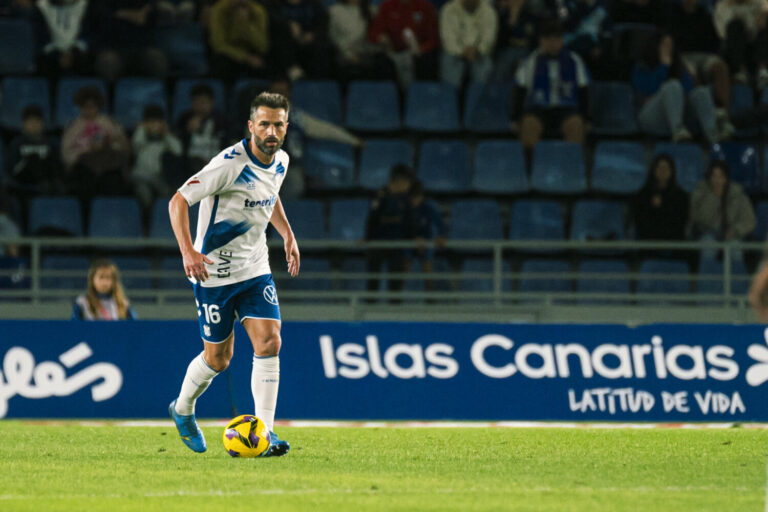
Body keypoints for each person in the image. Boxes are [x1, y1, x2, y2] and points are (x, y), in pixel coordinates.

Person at [168, 91, 298, 457]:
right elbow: (178, 201)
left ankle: (266, 433)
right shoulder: (228, 164)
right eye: (264, 124)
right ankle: (182, 410)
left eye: (278, 124)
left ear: (285, 127)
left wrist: (287, 234)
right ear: (250, 126)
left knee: (270, 341)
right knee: (218, 360)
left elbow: (268, 196)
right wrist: (188, 251)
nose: (271, 131)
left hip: (255, 270)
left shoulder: (281, 161)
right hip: (214, 275)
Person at [511, 18, 589, 156]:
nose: (552, 43)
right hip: (538, 108)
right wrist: (515, 118)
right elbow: (520, 90)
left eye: (556, 39)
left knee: (576, 125)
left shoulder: (574, 60)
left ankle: (571, 168)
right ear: (541, 40)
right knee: (529, 125)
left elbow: (584, 91)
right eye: (548, 39)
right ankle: (531, 169)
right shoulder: (531, 61)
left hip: (566, 108)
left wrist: (588, 119)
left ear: (562, 40)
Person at [632, 32, 724, 144]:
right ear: (655, 46)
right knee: (672, 86)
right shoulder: (642, 67)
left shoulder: (679, 67)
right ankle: (678, 132)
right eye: (665, 45)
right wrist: (663, 67)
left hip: (680, 115)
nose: (668, 49)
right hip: (651, 117)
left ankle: (713, 135)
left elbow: (689, 92)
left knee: (701, 92)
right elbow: (647, 89)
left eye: (671, 46)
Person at [664, 0, 735, 139]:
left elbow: (715, 43)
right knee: (690, 70)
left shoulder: (705, 15)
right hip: (683, 56)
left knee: (720, 67)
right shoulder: (672, 14)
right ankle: (706, 118)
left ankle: (723, 116)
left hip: (704, 56)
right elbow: (670, 42)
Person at [61, 86, 131, 199]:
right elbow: (66, 154)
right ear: (80, 107)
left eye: (92, 106)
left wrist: (106, 146)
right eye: (85, 107)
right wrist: (87, 150)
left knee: (114, 181)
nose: (89, 110)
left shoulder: (109, 123)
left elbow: (123, 147)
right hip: (84, 168)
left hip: (108, 167)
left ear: (98, 107)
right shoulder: (73, 127)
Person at [690, 160, 755, 264]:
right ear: (709, 177)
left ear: (726, 178)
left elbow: (749, 220)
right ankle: (707, 279)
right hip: (707, 233)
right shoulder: (701, 192)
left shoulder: (737, 194)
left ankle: (736, 280)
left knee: (735, 249)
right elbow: (699, 218)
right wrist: (713, 197)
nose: (717, 180)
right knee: (708, 248)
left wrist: (736, 231)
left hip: (732, 235)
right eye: (714, 176)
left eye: (721, 176)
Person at [365, 164, 413, 301]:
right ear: (400, 181)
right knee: (373, 280)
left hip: (397, 245)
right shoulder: (380, 196)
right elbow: (372, 219)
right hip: (378, 244)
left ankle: (395, 312)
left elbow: (410, 224)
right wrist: (367, 238)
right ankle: (370, 307)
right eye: (407, 183)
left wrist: (413, 238)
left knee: (395, 282)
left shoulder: (405, 200)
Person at [368, 0, 440, 88]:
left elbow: (434, 39)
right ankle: (390, 97)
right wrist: (381, 38)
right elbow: (373, 34)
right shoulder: (386, 6)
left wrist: (421, 49)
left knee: (427, 61)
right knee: (381, 63)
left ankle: (421, 96)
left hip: (419, 53)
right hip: (394, 53)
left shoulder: (426, 7)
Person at [5, 105, 63, 200]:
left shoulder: (50, 143)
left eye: (37, 121)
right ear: (24, 124)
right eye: (30, 122)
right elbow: (12, 168)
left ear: (42, 123)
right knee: (33, 158)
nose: (34, 125)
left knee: (48, 161)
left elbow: (56, 165)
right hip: (24, 177)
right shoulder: (17, 143)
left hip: (45, 176)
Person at [132, 104, 183, 210]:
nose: (154, 126)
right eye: (151, 122)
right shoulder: (142, 138)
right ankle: (147, 218)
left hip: (158, 178)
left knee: (169, 194)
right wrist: (142, 128)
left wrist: (166, 133)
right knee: (144, 194)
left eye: (157, 122)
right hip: (141, 176)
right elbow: (136, 143)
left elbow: (178, 150)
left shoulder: (165, 140)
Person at [329, 0, 394, 81]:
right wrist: (349, 55)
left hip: (371, 55)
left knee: (386, 65)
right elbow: (334, 38)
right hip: (346, 56)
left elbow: (380, 36)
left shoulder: (374, 10)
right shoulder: (335, 11)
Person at [438, 0, 498, 87]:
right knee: (448, 61)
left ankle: (478, 97)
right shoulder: (449, 9)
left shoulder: (489, 11)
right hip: (455, 53)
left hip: (478, 53)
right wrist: (462, 51)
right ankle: (450, 96)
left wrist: (478, 50)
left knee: (485, 65)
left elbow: (488, 39)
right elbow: (448, 39)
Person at [208, 0, 272, 80]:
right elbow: (219, 45)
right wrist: (246, 57)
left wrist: (246, 25)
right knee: (221, 63)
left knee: (267, 64)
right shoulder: (218, 10)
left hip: (252, 52)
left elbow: (262, 46)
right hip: (229, 54)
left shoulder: (258, 11)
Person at [632, 154, 689, 243]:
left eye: (666, 168)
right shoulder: (642, 195)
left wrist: (663, 206)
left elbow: (680, 223)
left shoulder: (681, 196)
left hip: (673, 242)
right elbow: (640, 222)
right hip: (648, 241)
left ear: (671, 171)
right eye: (660, 168)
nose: (663, 171)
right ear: (654, 170)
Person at [714, 0, 768, 88]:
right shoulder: (722, 6)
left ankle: (763, 70)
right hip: (733, 47)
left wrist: (763, 14)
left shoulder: (758, 2)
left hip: (755, 43)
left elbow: (765, 7)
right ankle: (741, 71)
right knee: (735, 25)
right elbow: (723, 33)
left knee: (765, 21)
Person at [34, 0, 93, 78]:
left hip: (79, 55)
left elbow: (92, 34)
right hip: (51, 56)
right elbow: (40, 38)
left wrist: (73, 51)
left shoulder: (86, 5)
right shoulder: (41, 6)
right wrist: (58, 54)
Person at [406, 179, 446, 293]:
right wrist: (413, 238)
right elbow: (401, 227)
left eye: (417, 198)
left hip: (425, 242)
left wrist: (441, 235)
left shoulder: (427, 208)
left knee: (427, 270)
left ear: (421, 197)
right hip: (409, 242)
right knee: (404, 267)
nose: (414, 201)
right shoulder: (405, 208)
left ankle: (430, 298)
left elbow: (439, 223)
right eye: (412, 198)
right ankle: (397, 299)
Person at [71, 259, 137, 320]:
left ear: (114, 281)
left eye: (108, 278)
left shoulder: (123, 304)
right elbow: (73, 328)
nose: (104, 282)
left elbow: (135, 327)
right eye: (101, 277)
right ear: (92, 279)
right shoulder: (82, 303)